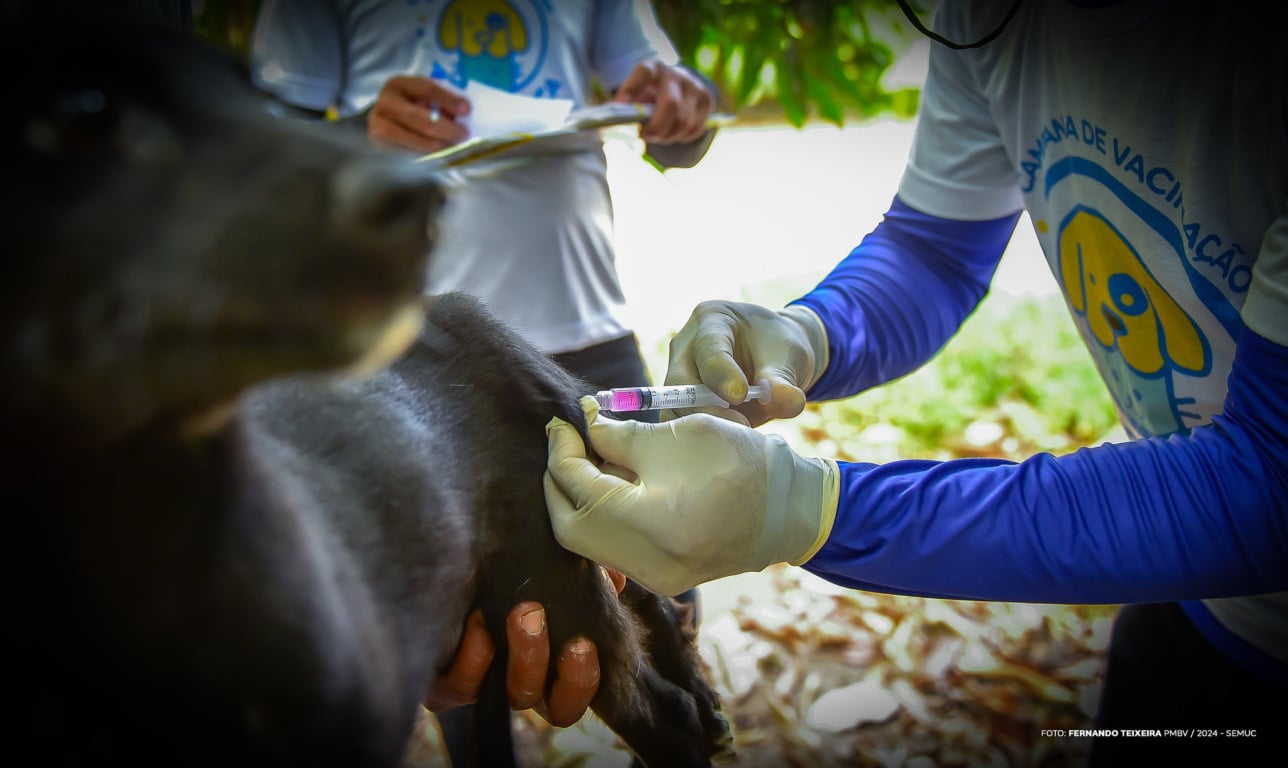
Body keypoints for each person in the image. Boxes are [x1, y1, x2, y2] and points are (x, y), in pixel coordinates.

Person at [543, 0, 1288, 761]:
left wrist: (809, 509)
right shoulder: (991, 20)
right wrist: (808, 333)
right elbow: (935, 251)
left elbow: (1271, 479)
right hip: (1194, 608)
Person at [249, 0, 716, 762]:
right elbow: (259, 161)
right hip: (415, 370)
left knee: (664, 601)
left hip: (591, 339)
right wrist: (355, 133)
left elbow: (681, 135)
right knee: (463, 645)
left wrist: (680, 108)